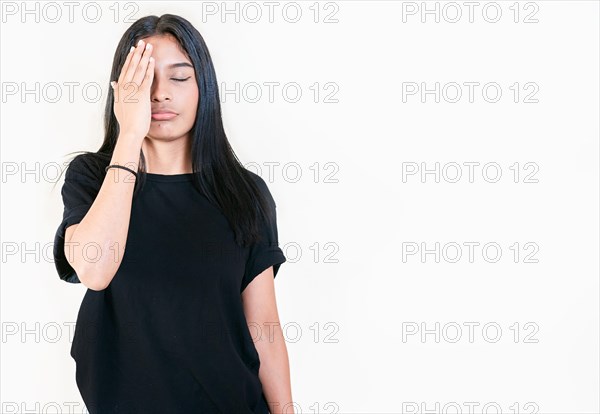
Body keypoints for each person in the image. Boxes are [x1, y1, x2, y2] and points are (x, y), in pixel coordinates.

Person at [52, 14, 294, 414]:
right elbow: (95, 270)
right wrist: (129, 135)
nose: (160, 94)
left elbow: (263, 326)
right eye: (145, 80)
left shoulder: (244, 192)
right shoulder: (92, 177)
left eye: (180, 78)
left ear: (204, 87)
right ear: (122, 90)